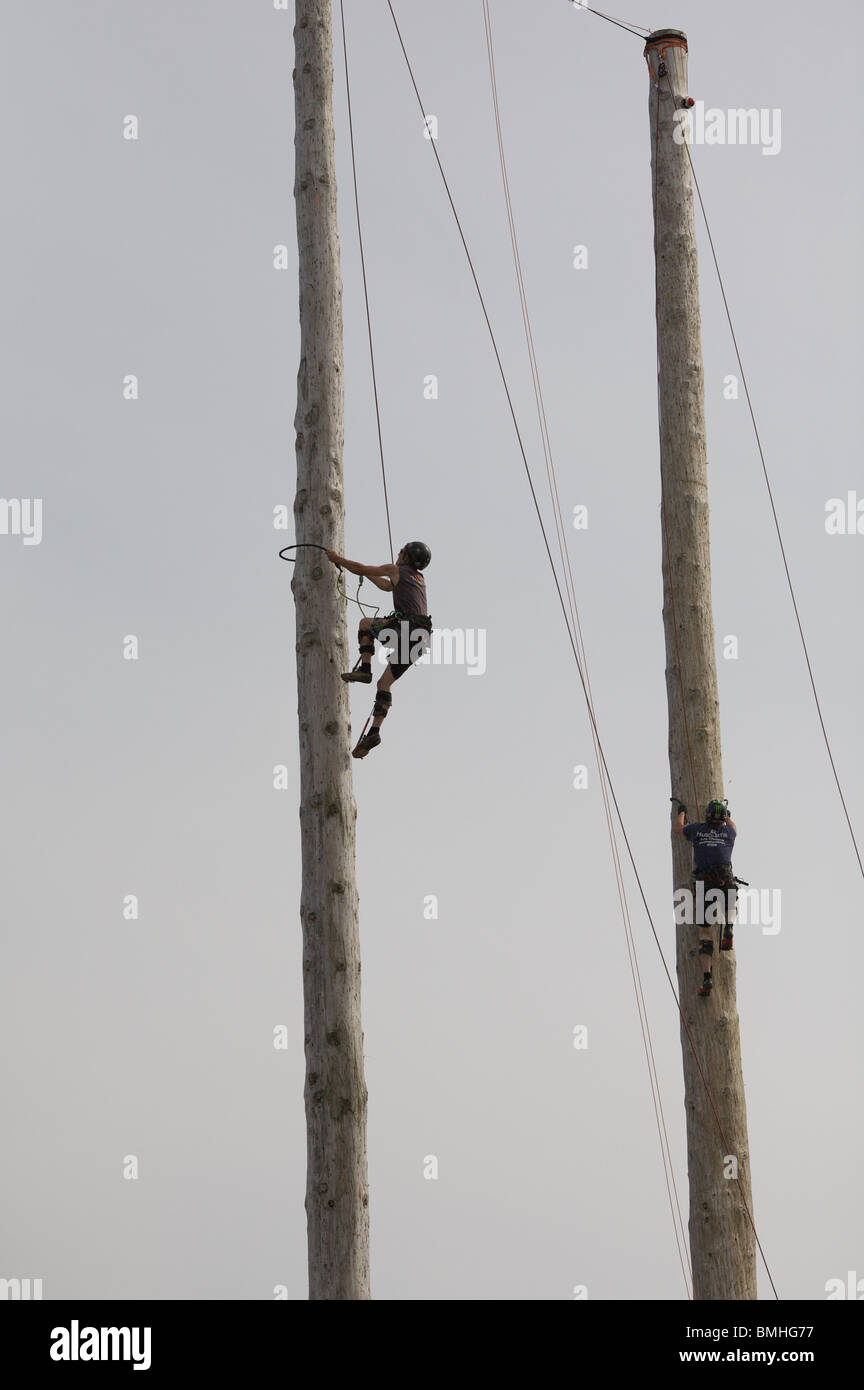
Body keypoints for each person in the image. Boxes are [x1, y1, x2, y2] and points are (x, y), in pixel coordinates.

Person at [326, 541, 432, 759]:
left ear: (406, 557)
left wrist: (339, 560)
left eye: (401, 551)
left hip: (406, 628)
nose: (398, 554)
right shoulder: (419, 579)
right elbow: (386, 586)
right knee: (384, 684)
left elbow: (363, 569)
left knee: (365, 624)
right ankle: (375, 731)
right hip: (421, 637)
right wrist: (364, 573)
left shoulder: (397, 570)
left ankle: (365, 668)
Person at [674, 798, 739, 997]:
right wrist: (727, 815)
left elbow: (679, 828)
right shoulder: (728, 833)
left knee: (704, 933)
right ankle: (729, 928)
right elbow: (734, 827)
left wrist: (682, 812)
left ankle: (707, 977)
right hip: (724, 878)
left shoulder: (696, 829)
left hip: (704, 883)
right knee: (731, 906)